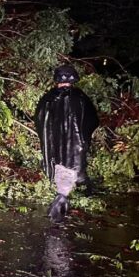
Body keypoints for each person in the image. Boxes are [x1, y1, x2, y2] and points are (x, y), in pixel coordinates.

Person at [34, 64, 99, 223]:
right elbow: (93, 120)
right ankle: (60, 205)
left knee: (61, 169)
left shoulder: (48, 98)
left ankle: (62, 201)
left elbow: (39, 119)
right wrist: (83, 136)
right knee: (70, 170)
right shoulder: (80, 97)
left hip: (54, 146)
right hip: (75, 146)